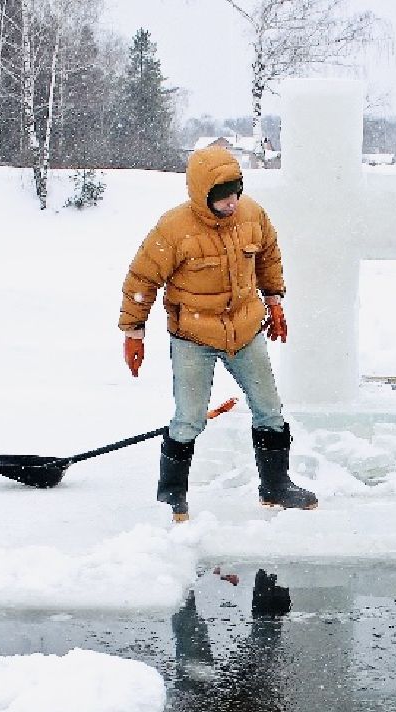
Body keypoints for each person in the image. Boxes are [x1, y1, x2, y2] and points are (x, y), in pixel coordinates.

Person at [119, 144, 317, 522]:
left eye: (235, 195)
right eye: (222, 199)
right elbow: (142, 279)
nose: (231, 204)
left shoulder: (252, 215)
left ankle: (276, 485)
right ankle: (171, 495)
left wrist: (274, 301)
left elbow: (269, 256)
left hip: (245, 331)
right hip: (193, 337)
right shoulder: (173, 229)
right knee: (189, 418)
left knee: (270, 410)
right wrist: (134, 331)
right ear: (201, 194)